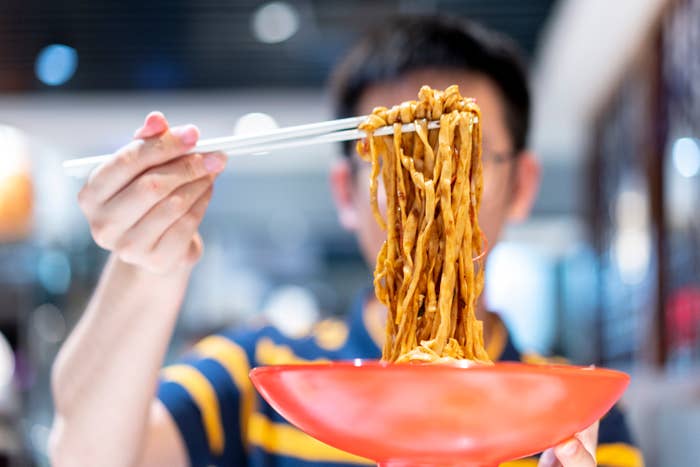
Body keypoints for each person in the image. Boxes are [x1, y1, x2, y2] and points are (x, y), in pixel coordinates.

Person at [49, 15, 643, 467]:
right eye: (391, 156)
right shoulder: (265, 376)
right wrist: (147, 264)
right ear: (344, 192)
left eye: (467, 157)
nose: (433, 184)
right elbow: (88, 454)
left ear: (522, 186)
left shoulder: (572, 414)